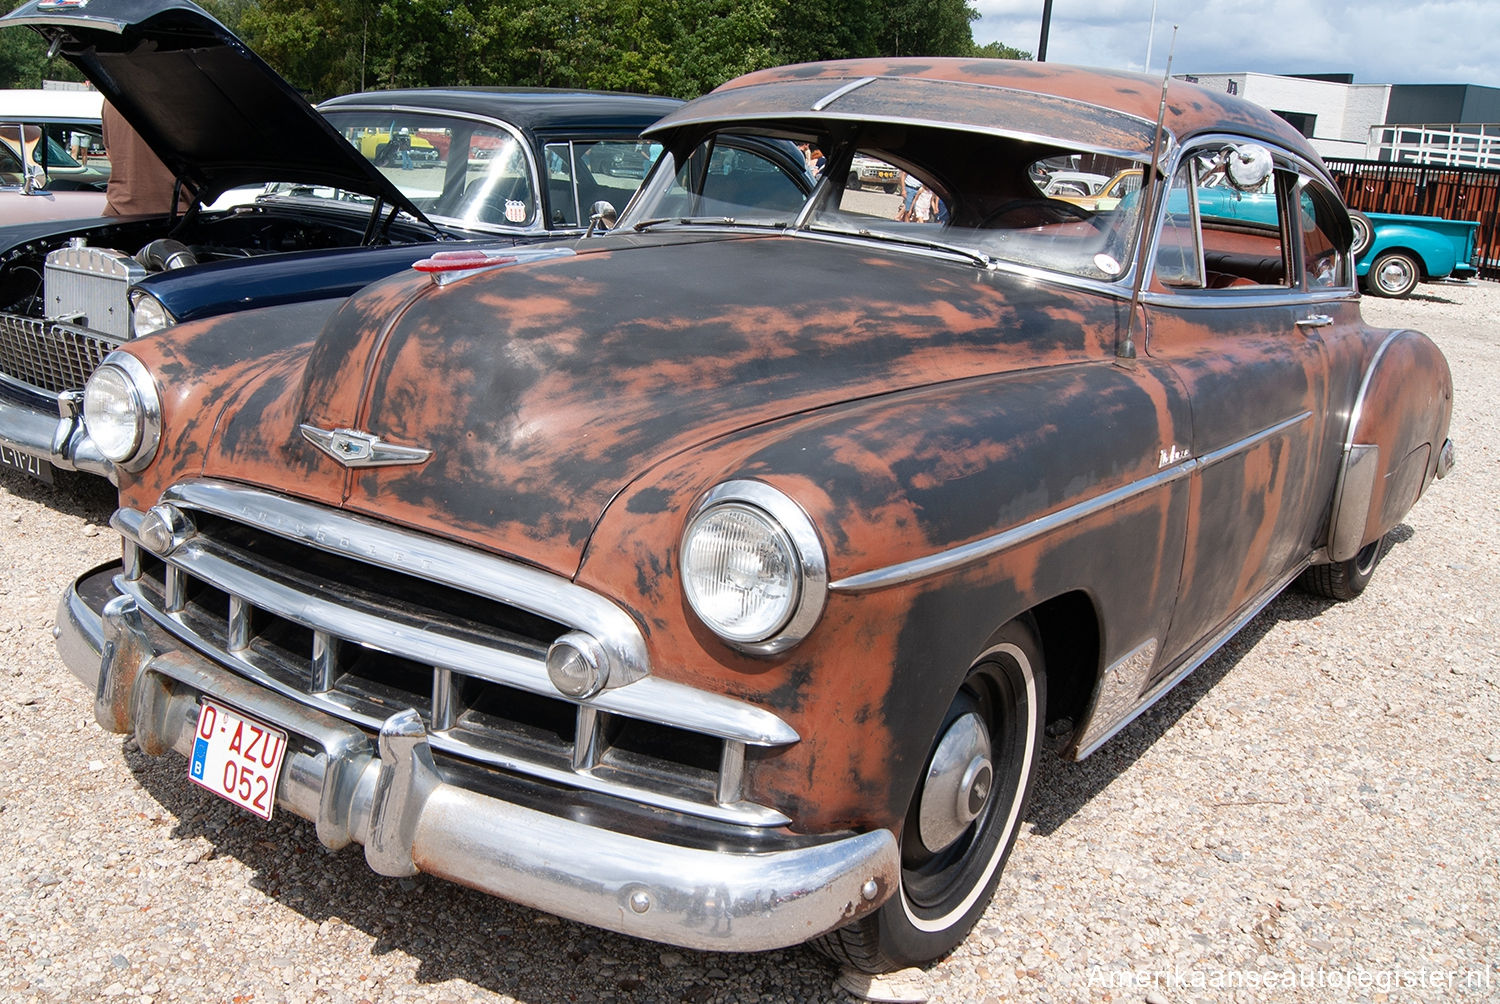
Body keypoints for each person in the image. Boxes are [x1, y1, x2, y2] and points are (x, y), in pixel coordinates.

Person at [101, 100, 180, 216]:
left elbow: (110, 153)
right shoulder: (185, 93)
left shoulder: (112, 94)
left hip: (117, 215)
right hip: (174, 217)